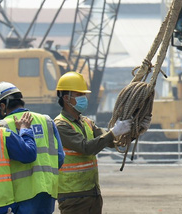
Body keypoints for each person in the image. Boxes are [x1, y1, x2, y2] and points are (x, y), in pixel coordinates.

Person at [53, 72, 133, 214]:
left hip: (92, 193)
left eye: (83, 94)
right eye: (79, 95)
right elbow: (86, 147)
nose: (84, 98)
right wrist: (114, 132)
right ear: (66, 98)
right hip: (73, 196)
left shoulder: (86, 122)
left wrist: (131, 130)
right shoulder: (60, 125)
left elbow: (109, 141)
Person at [0, 81, 65, 214]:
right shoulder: (47, 120)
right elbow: (60, 157)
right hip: (48, 192)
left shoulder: (1, 127)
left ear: (2, 106)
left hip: (20, 195)